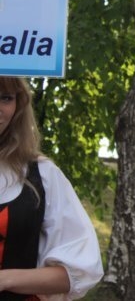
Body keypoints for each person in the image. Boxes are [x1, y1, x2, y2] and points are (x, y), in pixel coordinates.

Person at [0, 76, 104, 299]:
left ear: (19, 105)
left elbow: (80, 272)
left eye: (6, 98)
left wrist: (5, 279)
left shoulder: (42, 174)